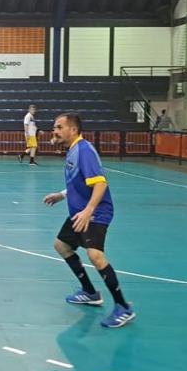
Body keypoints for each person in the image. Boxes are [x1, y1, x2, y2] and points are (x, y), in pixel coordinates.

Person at [41, 113, 135, 328]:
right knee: (62, 245)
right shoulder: (73, 150)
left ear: (73, 130)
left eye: (59, 127)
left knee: (95, 255)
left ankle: (123, 307)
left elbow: (100, 184)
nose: (54, 131)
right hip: (79, 210)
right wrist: (62, 195)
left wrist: (88, 210)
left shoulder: (84, 151)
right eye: (54, 127)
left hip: (96, 211)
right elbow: (80, 181)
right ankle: (90, 292)